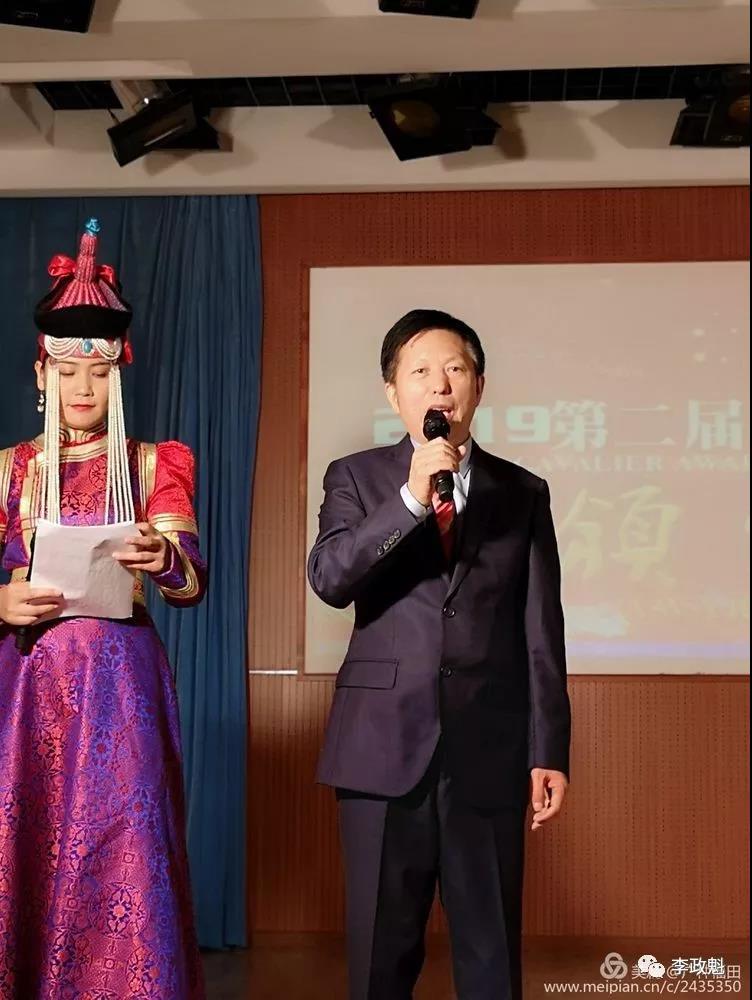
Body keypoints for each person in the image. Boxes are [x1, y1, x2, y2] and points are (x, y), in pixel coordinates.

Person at [308, 309, 571, 1000]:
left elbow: (541, 630)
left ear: (479, 385)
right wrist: (409, 501)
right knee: (380, 956)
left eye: (455, 369)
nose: (440, 385)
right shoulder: (356, 478)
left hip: (488, 751)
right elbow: (330, 578)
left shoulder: (523, 492)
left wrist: (548, 749)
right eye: (420, 371)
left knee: (491, 956)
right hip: (379, 749)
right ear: (392, 391)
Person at [0, 219, 206, 999]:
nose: (82, 387)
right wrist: (3, 599)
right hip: (28, 692)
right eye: (67, 370)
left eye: (98, 372)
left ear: (120, 373)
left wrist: (163, 558)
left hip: (122, 693)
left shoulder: (155, 464)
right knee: (25, 846)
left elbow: (190, 584)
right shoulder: (9, 470)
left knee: (122, 850)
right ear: (41, 373)